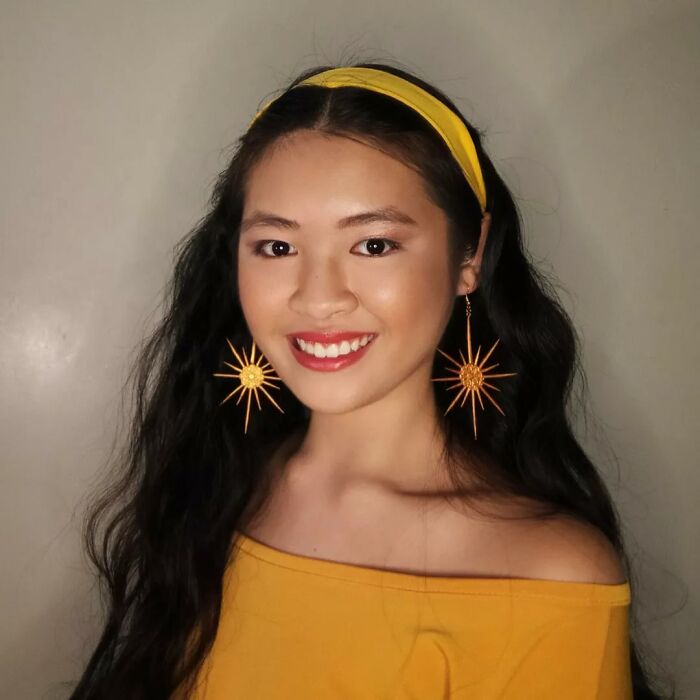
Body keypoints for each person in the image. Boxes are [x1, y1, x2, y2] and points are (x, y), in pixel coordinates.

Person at [69, 63, 667, 699]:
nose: (318, 298)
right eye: (276, 247)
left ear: (469, 254)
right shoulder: (211, 488)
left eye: (374, 245)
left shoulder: (552, 575)